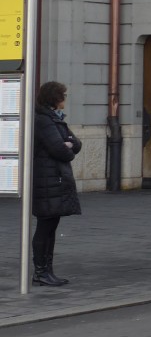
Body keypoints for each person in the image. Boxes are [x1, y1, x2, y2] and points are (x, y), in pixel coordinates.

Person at [31, 80, 82, 287]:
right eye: (63, 95)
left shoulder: (55, 118)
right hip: (47, 180)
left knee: (51, 226)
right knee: (45, 226)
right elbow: (60, 150)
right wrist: (67, 146)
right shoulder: (44, 120)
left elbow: (76, 144)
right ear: (55, 97)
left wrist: (68, 145)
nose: (65, 98)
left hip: (54, 179)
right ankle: (41, 272)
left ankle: (47, 271)